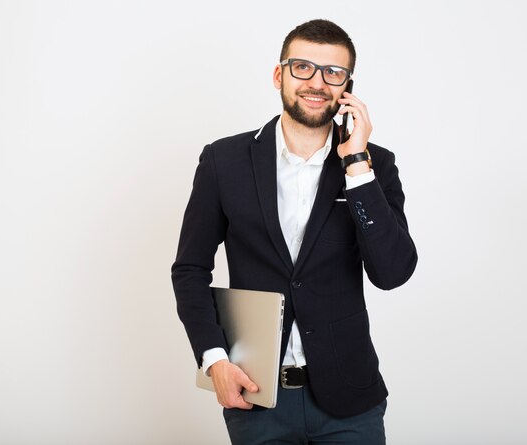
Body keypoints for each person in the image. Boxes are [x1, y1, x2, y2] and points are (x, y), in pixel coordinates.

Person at [171, 18, 417, 444]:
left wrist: (356, 166)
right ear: (278, 74)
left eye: (333, 73)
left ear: (348, 87)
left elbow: (392, 272)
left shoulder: (374, 164)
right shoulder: (223, 161)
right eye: (303, 67)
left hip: (350, 402)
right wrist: (214, 361)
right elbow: (190, 269)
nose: (317, 82)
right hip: (257, 396)